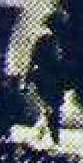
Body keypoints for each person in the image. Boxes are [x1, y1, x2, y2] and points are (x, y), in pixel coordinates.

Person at [24, 10, 69, 144]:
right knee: (50, 109)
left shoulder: (57, 40)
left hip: (55, 78)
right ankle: (53, 139)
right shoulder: (44, 39)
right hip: (45, 77)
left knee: (51, 110)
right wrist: (26, 78)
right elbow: (33, 59)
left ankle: (39, 137)